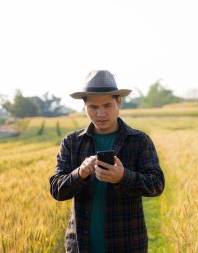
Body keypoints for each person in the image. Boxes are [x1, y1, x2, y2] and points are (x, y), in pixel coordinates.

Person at [49, 70, 165, 253]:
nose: (100, 113)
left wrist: (122, 176)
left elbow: (157, 185)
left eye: (107, 105)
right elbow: (57, 190)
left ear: (119, 103)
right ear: (85, 106)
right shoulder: (72, 142)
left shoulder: (139, 141)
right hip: (80, 245)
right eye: (93, 107)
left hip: (127, 243)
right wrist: (80, 173)